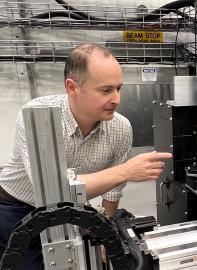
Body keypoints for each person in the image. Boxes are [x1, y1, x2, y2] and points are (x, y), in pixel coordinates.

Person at [0, 44, 172, 269]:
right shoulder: (38, 117)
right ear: (72, 87)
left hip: (74, 208)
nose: (117, 99)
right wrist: (125, 171)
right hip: (16, 208)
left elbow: (113, 190)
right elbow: (52, 195)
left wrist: (105, 234)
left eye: (119, 88)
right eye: (106, 90)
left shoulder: (120, 128)